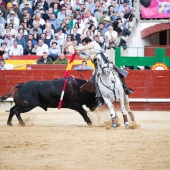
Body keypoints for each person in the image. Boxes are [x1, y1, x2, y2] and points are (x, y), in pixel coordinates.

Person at [74, 37, 133, 107]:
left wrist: (77, 48)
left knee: (119, 72)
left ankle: (125, 88)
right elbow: (85, 58)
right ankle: (99, 96)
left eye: (84, 44)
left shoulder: (93, 44)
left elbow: (84, 48)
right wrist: (78, 54)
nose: (84, 45)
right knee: (93, 81)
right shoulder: (90, 52)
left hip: (105, 64)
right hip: (98, 68)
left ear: (87, 42)